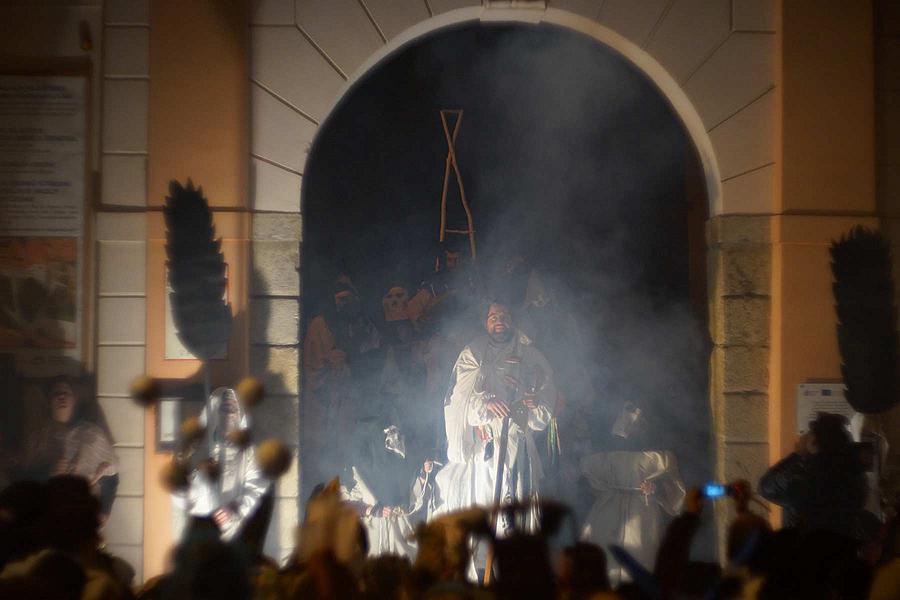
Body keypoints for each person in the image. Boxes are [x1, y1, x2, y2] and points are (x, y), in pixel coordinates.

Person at [434, 302, 556, 534]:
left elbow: (545, 394)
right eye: (493, 317)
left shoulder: (531, 355)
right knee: (486, 503)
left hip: (517, 442)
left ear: (512, 320)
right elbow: (458, 400)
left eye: (504, 315)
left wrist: (533, 401)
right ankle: (486, 564)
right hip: (486, 446)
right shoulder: (472, 354)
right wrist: (485, 403)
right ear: (485, 323)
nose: (499, 320)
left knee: (519, 506)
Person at [580, 401, 686, 584]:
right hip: (608, 510)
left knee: (640, 557)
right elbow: (590, 481)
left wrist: (655, 489)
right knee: (604, 558)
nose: (633, 424)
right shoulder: (604, 454)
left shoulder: (659, 457)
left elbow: (673, 490)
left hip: (643, 511)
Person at [303, 277, 381, 481]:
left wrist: (354, 363)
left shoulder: (365, 326)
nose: (342, 304)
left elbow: (373, 361)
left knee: (355, 453)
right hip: (327, 404)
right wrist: (332, 365)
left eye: (347, 299)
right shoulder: (320, 325)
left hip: (354, 401)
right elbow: (313, 368)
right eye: (338, 299)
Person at [172, 387, 270, 545]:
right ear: (215, 412)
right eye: (224, 408)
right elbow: (178, 487)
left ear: (240, 414)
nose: (229, 414)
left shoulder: (249, 453)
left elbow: (256, 487)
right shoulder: (195, 446)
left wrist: (236, 509)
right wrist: (195, 481)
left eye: (233, 408)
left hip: (229, 531)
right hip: (197, 530)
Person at [20, 375, 119, 518]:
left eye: (66, 393)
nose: (62, 396)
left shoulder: (91, 434)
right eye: (56, 393)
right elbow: (24, 481)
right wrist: (49, 472)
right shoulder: (37, 438)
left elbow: (112, 476)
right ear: (49, 402)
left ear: (75, 400)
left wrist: (105, 512)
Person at [759, 411, 867, 538]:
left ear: (815, 442)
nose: (804, 437)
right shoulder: (854, 474)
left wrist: (797, 455)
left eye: (809, 434)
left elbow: (766, 488)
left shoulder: (807, 476)